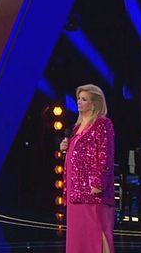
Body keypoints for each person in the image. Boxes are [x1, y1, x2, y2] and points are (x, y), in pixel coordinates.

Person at [59, 84, 115, 253]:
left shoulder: (102, 124)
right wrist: (66, 147)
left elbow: (105, 155)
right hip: (75, 191)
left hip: (93, 192)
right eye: (79, 98)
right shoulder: (76, 128)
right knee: (78, 236)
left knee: (97, 231)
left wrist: (98, 183)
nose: (79, 102)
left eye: (84, 99)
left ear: (94, 103)